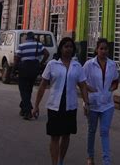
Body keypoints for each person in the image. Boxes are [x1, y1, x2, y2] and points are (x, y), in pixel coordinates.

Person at [33, 37, 89, 165]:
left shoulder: (77, 66)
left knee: (66, 135)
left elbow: (83, 85)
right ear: (61, 48)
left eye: (70, 47)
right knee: (54, 136)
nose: (68, 49)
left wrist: (86, 103)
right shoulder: (52, 64)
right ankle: (54, 162)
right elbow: (42, 85)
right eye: (66, 46)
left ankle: (61, 160)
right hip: (54, 105)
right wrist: (36, 105)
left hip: (70, 105)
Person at [84, 38, 119, 165]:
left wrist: (111, 89)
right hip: (93, 103)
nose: (104, 51)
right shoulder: (89, 64)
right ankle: (90, 156)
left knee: (104, 131)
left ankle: (106, 160)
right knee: (92, 130)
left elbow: (116, 81)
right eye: (101, 48)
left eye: (106, 49)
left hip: (107, 104)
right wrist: (89, 91)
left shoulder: (112, 64)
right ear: (96, 50)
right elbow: (81, 81)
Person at [14, 31, 49, 120]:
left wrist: (14, 68)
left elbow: (17, 58)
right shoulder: (39, 45)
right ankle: (23, 107)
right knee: (28, 89)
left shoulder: (22, 46)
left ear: (27, 38)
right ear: (33, 38)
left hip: (24, 69)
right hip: (34, 70)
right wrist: (41, 62)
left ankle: (28, 111)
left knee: (23, 89)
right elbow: (47, 53)